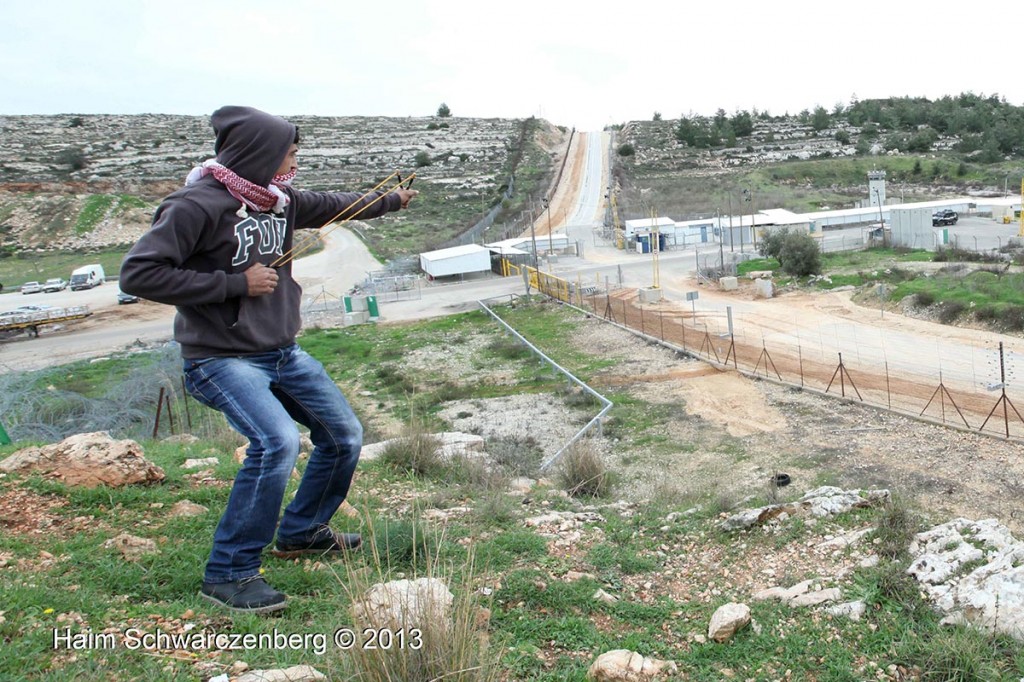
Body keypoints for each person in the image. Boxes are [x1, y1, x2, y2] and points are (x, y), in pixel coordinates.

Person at [119, 105, 417, 614]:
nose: (295, 162)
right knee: (276, 442)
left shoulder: (279, 200)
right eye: (291, 152)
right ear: (260, 153)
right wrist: (235, 283)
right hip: (220, 358)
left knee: (343, 435)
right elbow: (138, 275)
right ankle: (229, 573)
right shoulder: (195, 205)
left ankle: (302, 532)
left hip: (282, 351)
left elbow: (336, 204)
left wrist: (392, 200)